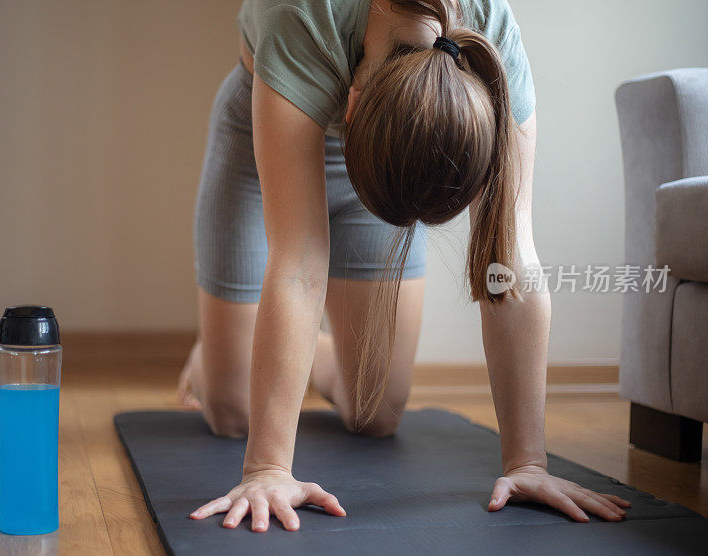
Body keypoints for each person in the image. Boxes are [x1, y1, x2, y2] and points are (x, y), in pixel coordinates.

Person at [180, 0, 631, 532]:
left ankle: (309, 353)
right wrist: (268, 469)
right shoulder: (301, 15)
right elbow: (299, 261)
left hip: (395, 152)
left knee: (375, 414)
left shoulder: (495, 44)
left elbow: (513, 259)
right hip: (268, 133)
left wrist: (528, 461)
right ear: (350, 102)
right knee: (234, 414)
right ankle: (213, 358)